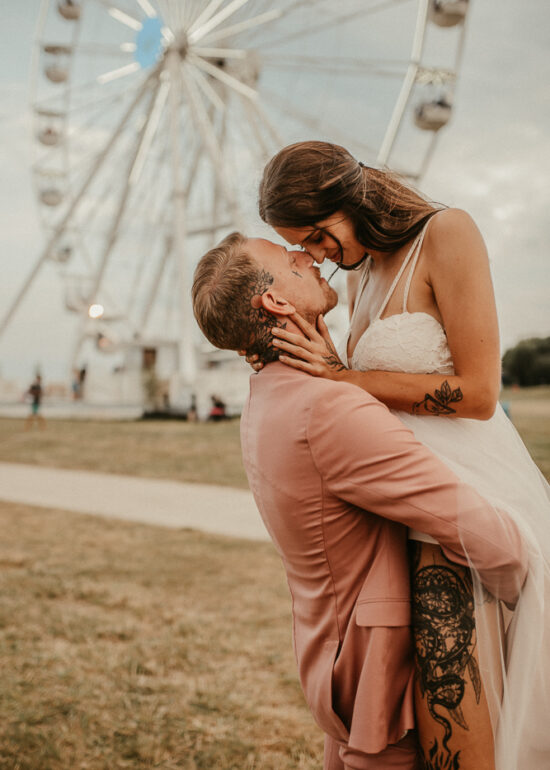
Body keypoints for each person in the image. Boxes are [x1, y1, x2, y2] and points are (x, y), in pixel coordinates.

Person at [254, 140, 550, 769]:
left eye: (317, 235)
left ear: (349, 197)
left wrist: (344, 380)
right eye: (303, 247)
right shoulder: (361, 273)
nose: (317, 256)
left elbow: (478, 393)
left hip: (468, 499)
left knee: (460, 711)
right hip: (407, 501)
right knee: (426, 716)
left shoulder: (447, 233)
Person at [192, 232, 527, 770]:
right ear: (275, 302)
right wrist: (523, 609)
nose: (306, 255)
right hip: (385, 681)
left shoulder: (265, 401)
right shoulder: (328, 409)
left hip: (333, 660)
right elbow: (491, 540)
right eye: (289, 259)